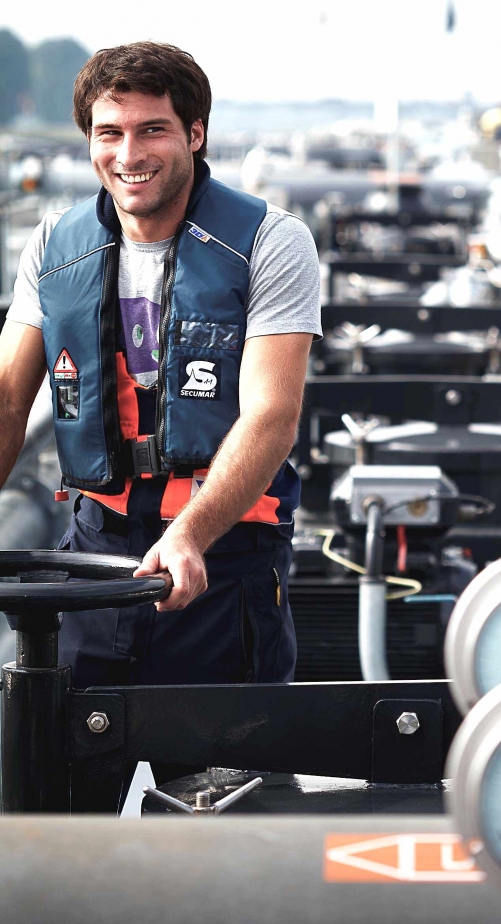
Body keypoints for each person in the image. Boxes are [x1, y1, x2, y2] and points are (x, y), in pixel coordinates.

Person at [0, 42, 321, 785]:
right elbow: (11, 398)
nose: (128, 153)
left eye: (152, 130)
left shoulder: (272, 242)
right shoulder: (54, 244)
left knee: (222, 824)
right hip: (92, 555)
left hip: (223, 565)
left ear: (195, 134)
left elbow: (271, 416)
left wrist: (188, 537)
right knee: (54, 805)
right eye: (109, 133)